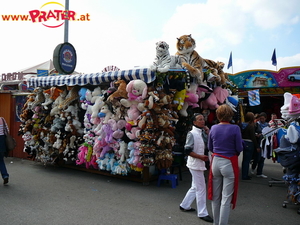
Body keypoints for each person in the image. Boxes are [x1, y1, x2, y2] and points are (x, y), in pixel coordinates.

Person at [207, 104, 243, 225]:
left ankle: (215, 222)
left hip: (216, 161)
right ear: (230, 115)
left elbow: (210, 147)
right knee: (226, 198)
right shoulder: (235, 128)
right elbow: (239, 147)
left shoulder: (213, 128)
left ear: (218, 115)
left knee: (215, 196)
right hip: (229, 161)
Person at [179, 113, 213, 223]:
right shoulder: (192, 133)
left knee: (195, 186)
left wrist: (208, 132)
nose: (203, 121)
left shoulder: (203, 132)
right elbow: (187, 150)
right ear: (194, 122)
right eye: (200, 120)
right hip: (195, 164)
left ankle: (185, 205)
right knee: (201, 188)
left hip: (200, 164)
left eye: (203, 119)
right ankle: (202, 212)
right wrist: (200, 157)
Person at [240, 112, 259, 180]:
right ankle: (245, 175)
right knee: (247, 160)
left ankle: (243, 174)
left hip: (242, 141)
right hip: (249, 143)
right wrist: (257, 146)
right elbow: (253, 137)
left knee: (244, 160)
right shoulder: (251, 126)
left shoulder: (241, 124)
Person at [251, 112, 268, 178]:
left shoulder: (267, 125)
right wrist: (257, 135)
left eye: (263, 119)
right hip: (258, 143)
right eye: (260, 118)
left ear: (265, 118)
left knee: (262, 158)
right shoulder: (256, 124)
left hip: (264, 143)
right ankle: (253, 168)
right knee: (257, 158)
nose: (261, 120)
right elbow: (253, 133)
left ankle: (259, 172)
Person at [0, 117, 9, 185]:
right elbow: (7, 131)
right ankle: (5, 175)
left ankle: (5, 175)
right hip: (2, 142)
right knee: (1, 160)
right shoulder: (2, 119)